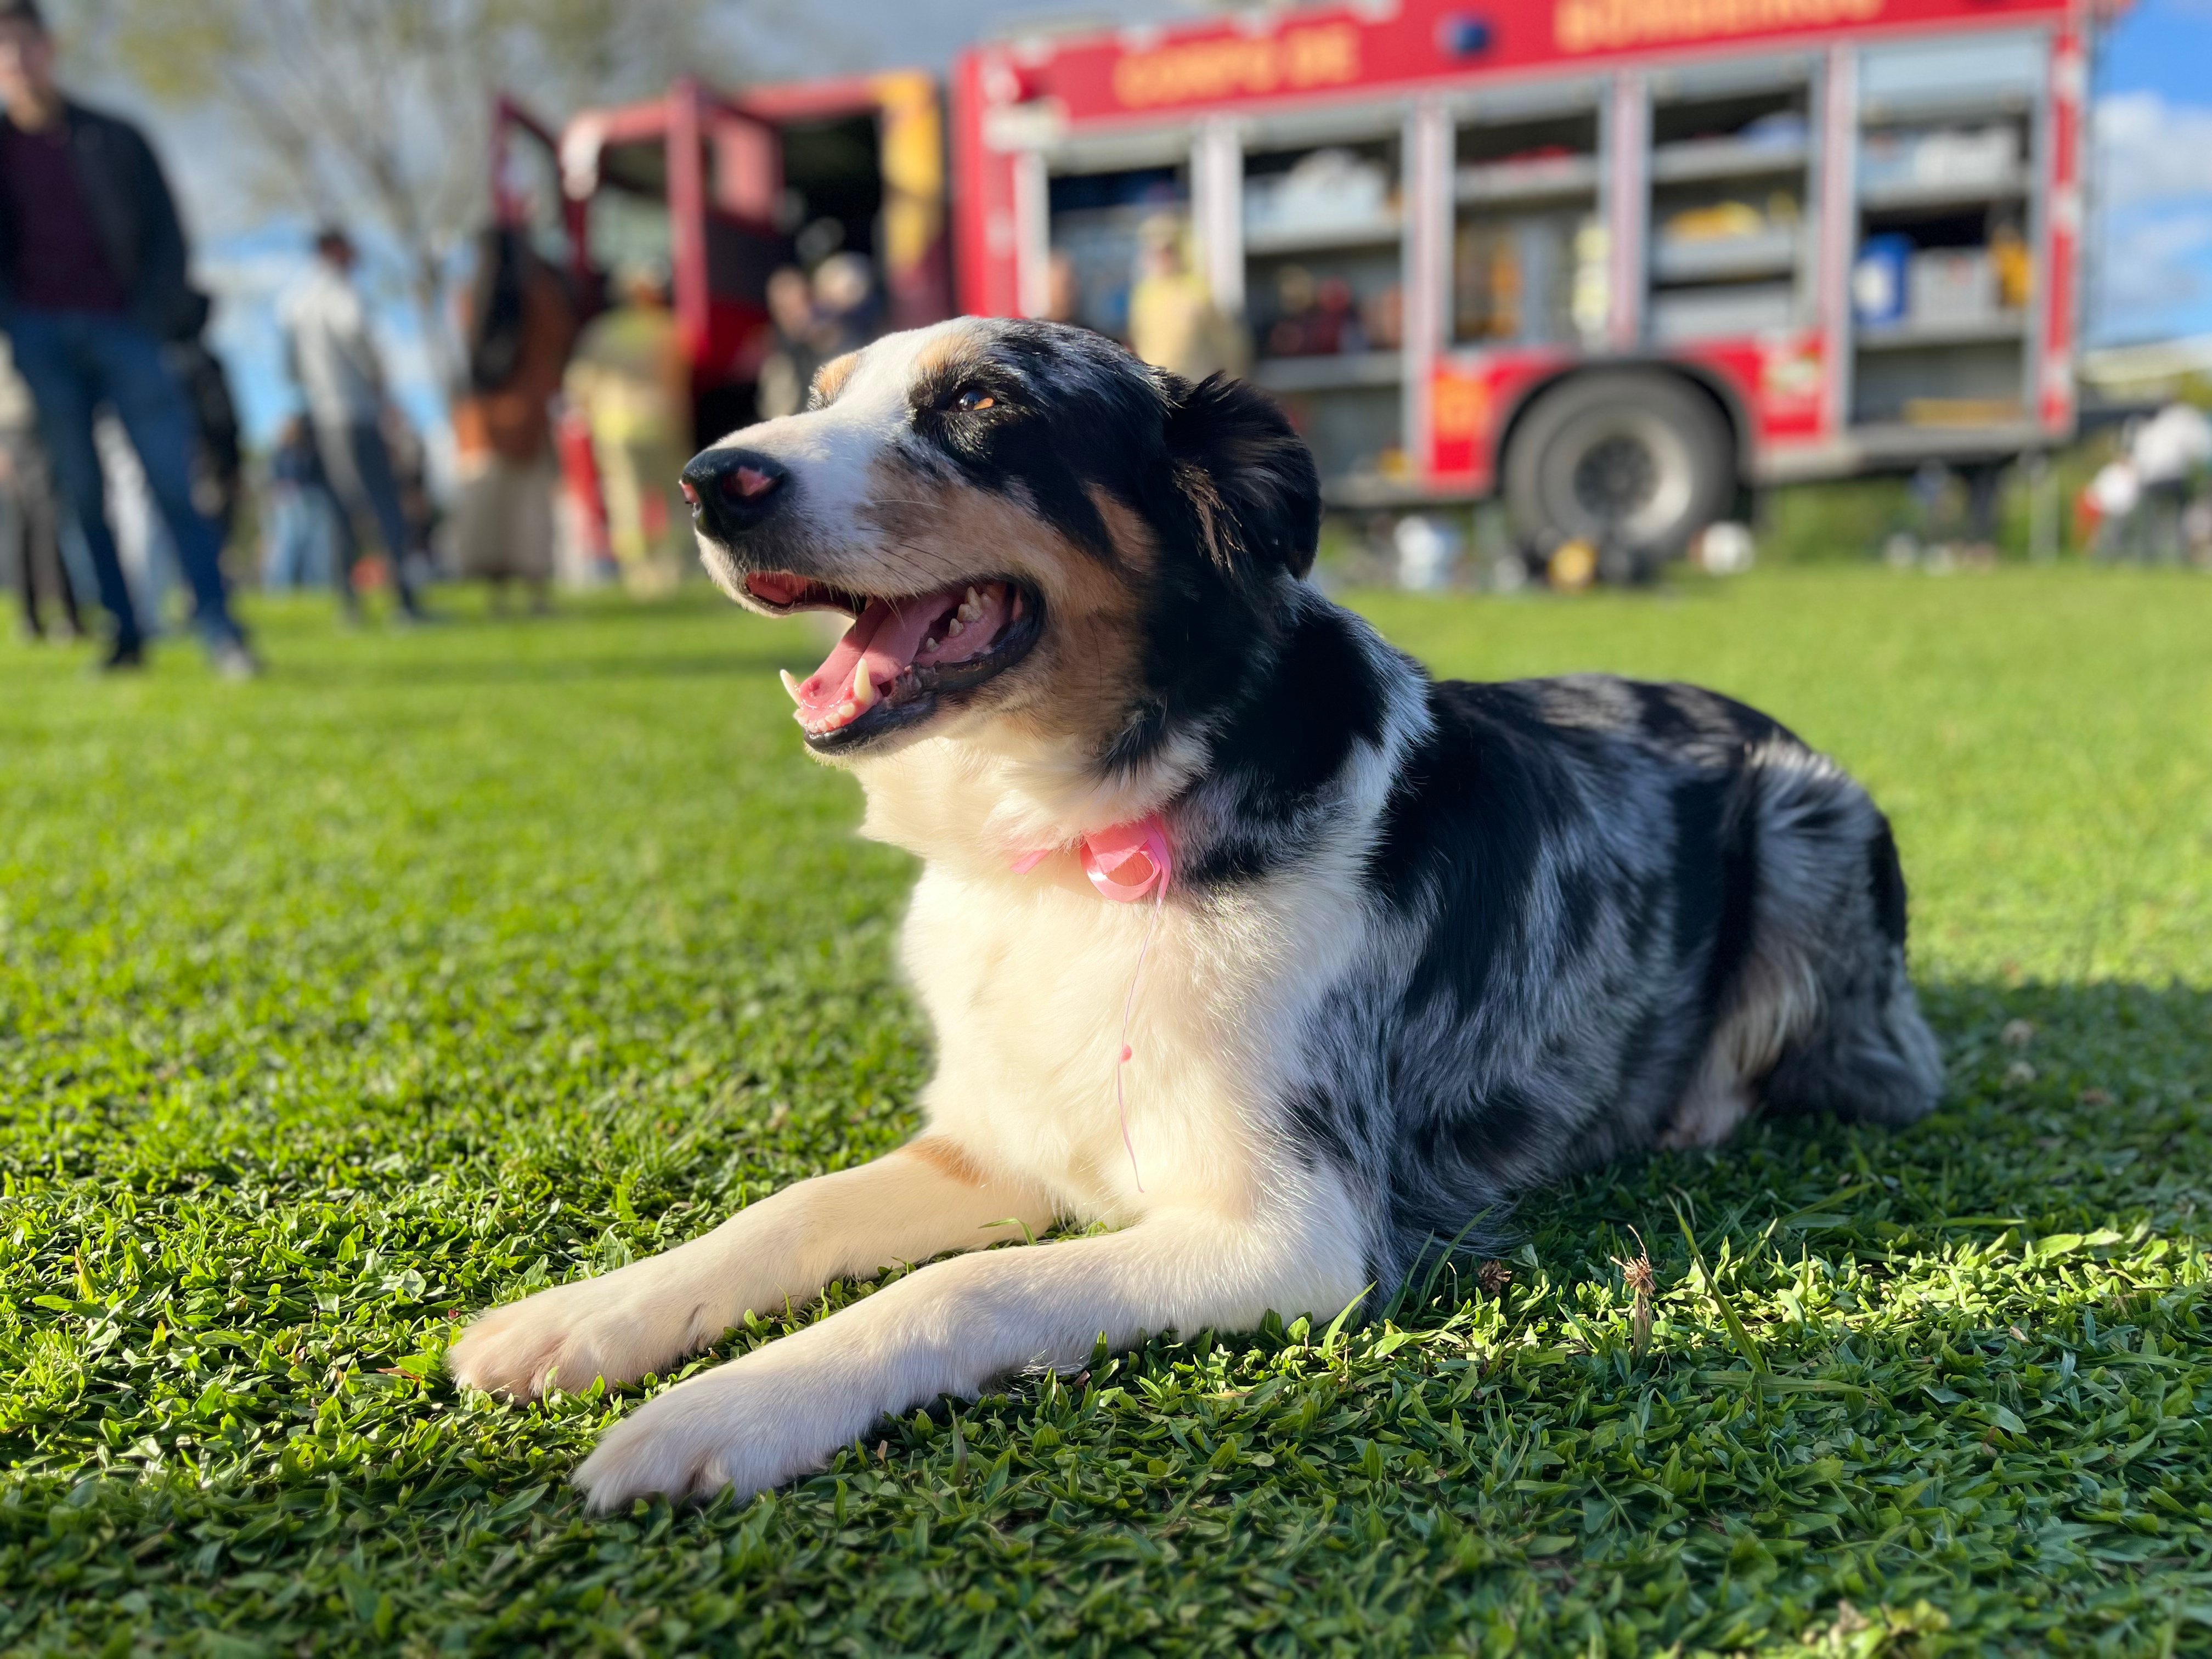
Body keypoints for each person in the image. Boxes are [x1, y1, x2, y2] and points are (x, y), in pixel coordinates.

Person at [0, 0, 255, 674]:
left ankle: (219, 627)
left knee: (172, 477)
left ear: (48, 49)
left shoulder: (115, 136)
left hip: (126, 330)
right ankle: (124, 632)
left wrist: (152, 318)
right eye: (2, 51)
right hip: (39, 340)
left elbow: (168, 237)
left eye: (24, 45)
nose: (15, 63)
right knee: (81, 494)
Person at [279, 226, 427, 621]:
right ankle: (405, 603)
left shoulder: (295, 301)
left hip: (324, 415)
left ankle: (349, 605)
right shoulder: (341, 293)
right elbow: (358, 335)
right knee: (383, 503)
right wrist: (381, 389)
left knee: (341, 508)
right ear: (334, 249)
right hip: (357, 412)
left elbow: (290, 365)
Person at [450, 224, 576, 612]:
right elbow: (561, 341)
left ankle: (497, 596)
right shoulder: (540, 294)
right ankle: (537, 594)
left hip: (478, 424)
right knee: (529, 509)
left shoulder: (468, 296)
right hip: (528, 418)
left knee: (491, 511)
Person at [565, 261, 690, 595]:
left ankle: (640, 576)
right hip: (665, 424)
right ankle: (677, 569)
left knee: (627, 502)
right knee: (678, 499)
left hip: (616, 430)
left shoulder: (601, 332)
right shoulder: (670, 327)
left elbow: (578, 385)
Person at [0, 330, 77, 638]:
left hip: (47, 423)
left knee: (50, 518)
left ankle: (63, 614)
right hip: (16, 430)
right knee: (35, 519)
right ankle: (39, 617)